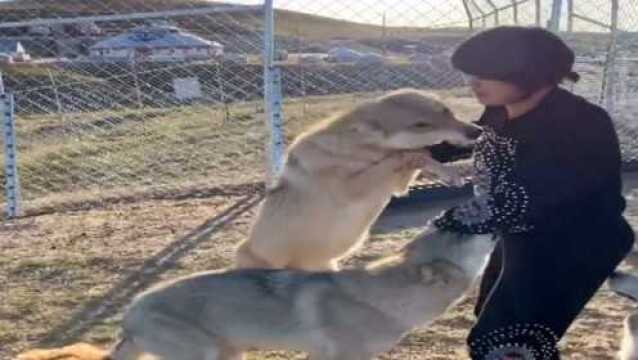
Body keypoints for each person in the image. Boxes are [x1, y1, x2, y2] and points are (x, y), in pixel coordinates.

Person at [429, 26, 635, 359]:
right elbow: (472, 139)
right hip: (524, 233)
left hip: (577, 241)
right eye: (472, 73)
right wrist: (409, 150)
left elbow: (533, 196)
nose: (474, 82)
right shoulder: (501, 109)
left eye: (488, 73)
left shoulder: (581, 123)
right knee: (493, 319)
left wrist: (449, 223)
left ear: (530, 73)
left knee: (502, 340)